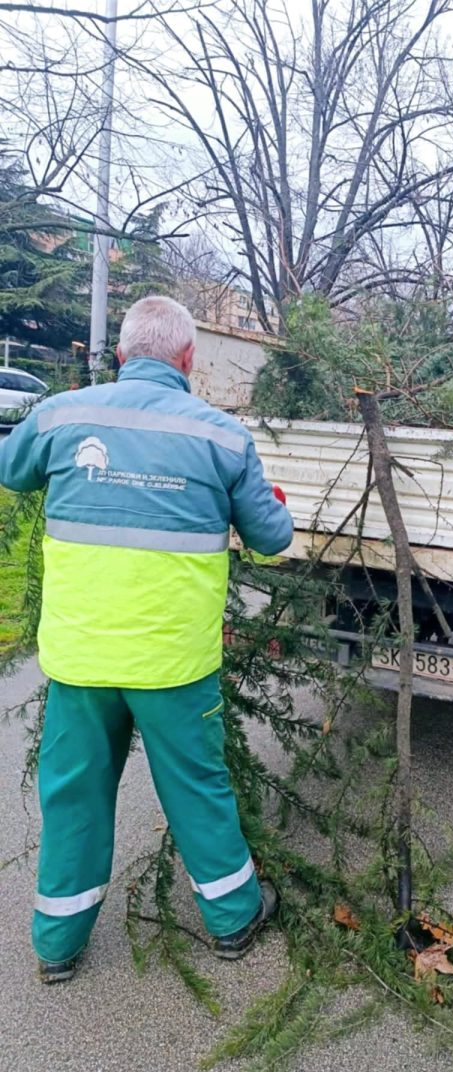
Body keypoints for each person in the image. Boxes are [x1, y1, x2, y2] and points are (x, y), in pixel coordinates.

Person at [0, 295, 294, 984]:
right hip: (174, 665)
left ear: (121, 356)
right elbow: (273, 541)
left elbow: (12, 472)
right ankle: (232, 920)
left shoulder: (63, 414)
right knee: (197, 788)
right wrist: (266, 503)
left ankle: (57, 947)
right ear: (190, 360)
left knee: (73, 795)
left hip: (80, 660)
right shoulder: (221, 437)